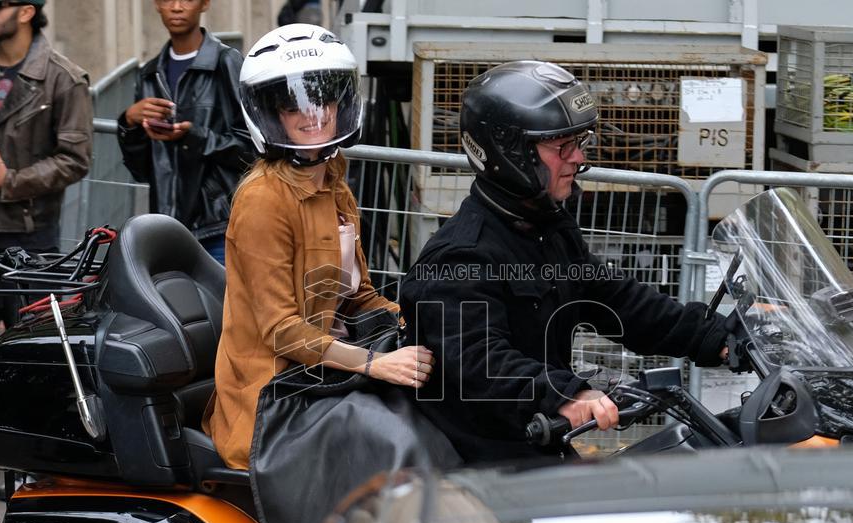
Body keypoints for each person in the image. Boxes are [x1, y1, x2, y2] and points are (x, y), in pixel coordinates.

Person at [399, 60, 733, 464]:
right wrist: (567, 394)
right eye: (562, 147)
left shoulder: (547, 229)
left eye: (581, 141)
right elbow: (476, 361)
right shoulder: (459, 257)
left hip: (539, 450)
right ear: (510, 154)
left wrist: (717, 339)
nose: (578, 158)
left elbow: (615, 300)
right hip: (482, 470)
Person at [204, 23, 434, 470]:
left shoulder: (334, 185)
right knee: (387, 448)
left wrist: (429, 328)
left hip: (320, 376)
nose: (314, 114)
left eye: (323, 98)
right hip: (272, 396)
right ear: (269, 113)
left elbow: (358, 297)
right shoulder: (263, 199)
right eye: (293, 104)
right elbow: (282, 330)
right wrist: (373, 362)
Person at [0, 0, 91, 505]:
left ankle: (35, 476)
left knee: (35, 363)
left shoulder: (62, 78)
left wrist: (11, 181)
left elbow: (75, 159)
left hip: (26, 243)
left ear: (27, 11)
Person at [117, 0, 253, 264]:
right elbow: (142, 171)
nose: (177, 7)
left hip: (220, 227)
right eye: (168, 0)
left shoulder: (226, 62)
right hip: (167, 228)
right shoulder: (149, 74)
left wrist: (193, 137)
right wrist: (129, 122)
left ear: (204, 4)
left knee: (222, 305)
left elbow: (253, 149)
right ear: (157, 5)